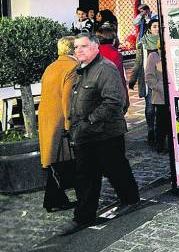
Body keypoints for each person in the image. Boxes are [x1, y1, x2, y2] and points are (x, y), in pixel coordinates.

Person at [55, 33, 140, 236]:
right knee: (85, 176)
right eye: (76, 47)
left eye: (84, 46)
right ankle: (83, 217)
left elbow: (113, 101)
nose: (79, 50)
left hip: (106, 133)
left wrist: (90, 120)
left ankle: (130, 199)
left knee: (115, 169)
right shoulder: (80, 70)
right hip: (85, 134)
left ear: (95, 47)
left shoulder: (105, 69)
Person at [38, 36, 79, 212]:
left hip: (48, 118)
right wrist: (69, 125)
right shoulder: (72, 67)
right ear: (72, 49)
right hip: (61, 120)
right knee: (65, 161)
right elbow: (67, 98)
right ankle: (56, 200)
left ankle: (55, 200)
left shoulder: (51, 66)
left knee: (56, 160)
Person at [129, 18, 160, 146]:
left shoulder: (164, 41)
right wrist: (132, 79)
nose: (157, 29)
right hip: (148, 77)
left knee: (161, 107)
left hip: (161, 78)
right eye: (154, 26)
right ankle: (150, 130)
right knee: (150, 106)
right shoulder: (142, 43)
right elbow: (138, 62)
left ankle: (160, 132)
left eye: (158, 26)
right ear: (149, 28)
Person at [145, 42, 169, 153]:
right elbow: (149, 76)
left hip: (174, 93)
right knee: (161, 122)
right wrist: (158, 87)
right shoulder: (153, 56)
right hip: (160, 95)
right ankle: (160, 144)